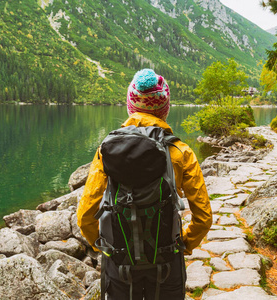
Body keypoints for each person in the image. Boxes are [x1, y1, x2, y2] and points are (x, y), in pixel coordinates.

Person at [77, 69, 212, 300]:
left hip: (119, 261)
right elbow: (203, 217)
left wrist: (102, 247)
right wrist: (184, 245)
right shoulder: (181, 152)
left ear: (131, 105)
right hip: (167, 261)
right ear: (165, 108)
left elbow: (85, 215)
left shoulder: (107, 150)